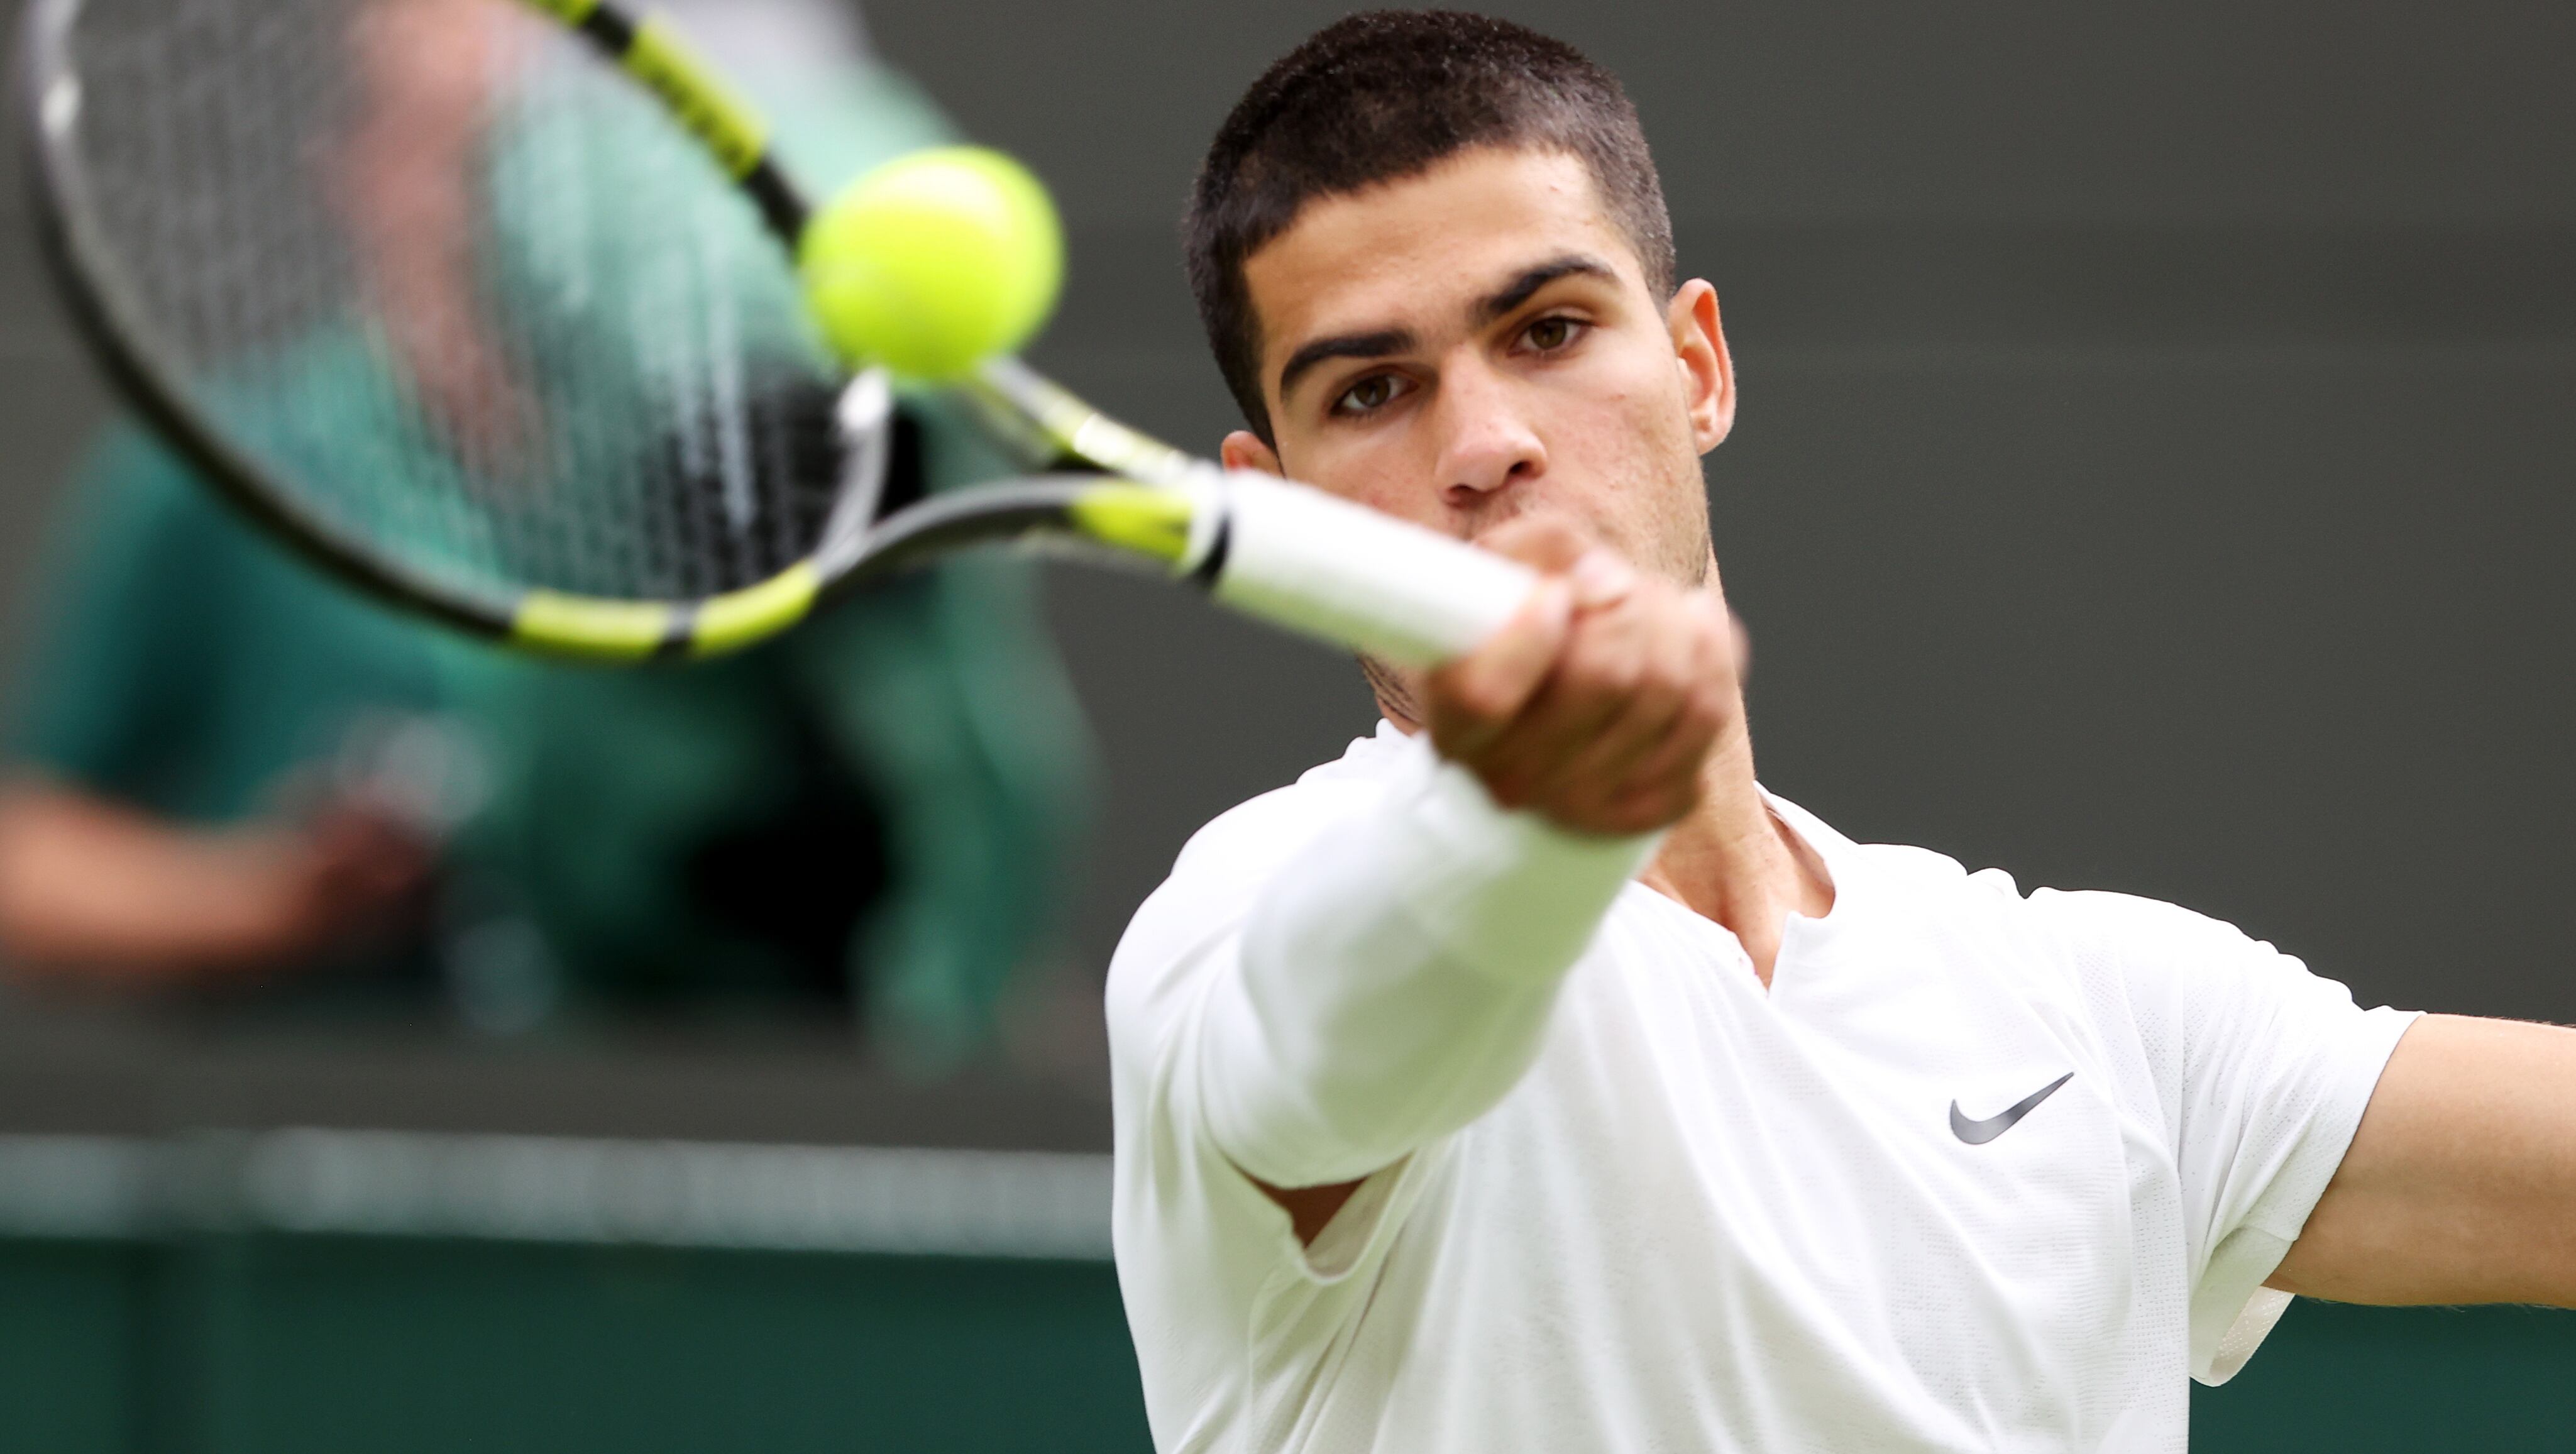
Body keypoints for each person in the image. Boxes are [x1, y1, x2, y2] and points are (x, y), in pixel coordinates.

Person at [1104, 13, 2576, 1451]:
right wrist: (1523, 819)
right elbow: (1317, 1046)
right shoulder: (1236, 923)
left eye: (1548, 329)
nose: (1487, 442)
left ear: (1698, 370)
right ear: (1279, 500)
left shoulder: (2098, 1020)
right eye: (1373, 389)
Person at [0, 0, 1091, 1059]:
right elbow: (25, 861)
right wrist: (270, 902)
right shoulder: (230, 469)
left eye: (537, 137)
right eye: (459, 140)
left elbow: (966, 830)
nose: (513, 182)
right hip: (324, 1183)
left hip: (673, 1168)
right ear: (358, 167)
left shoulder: (729, 469)